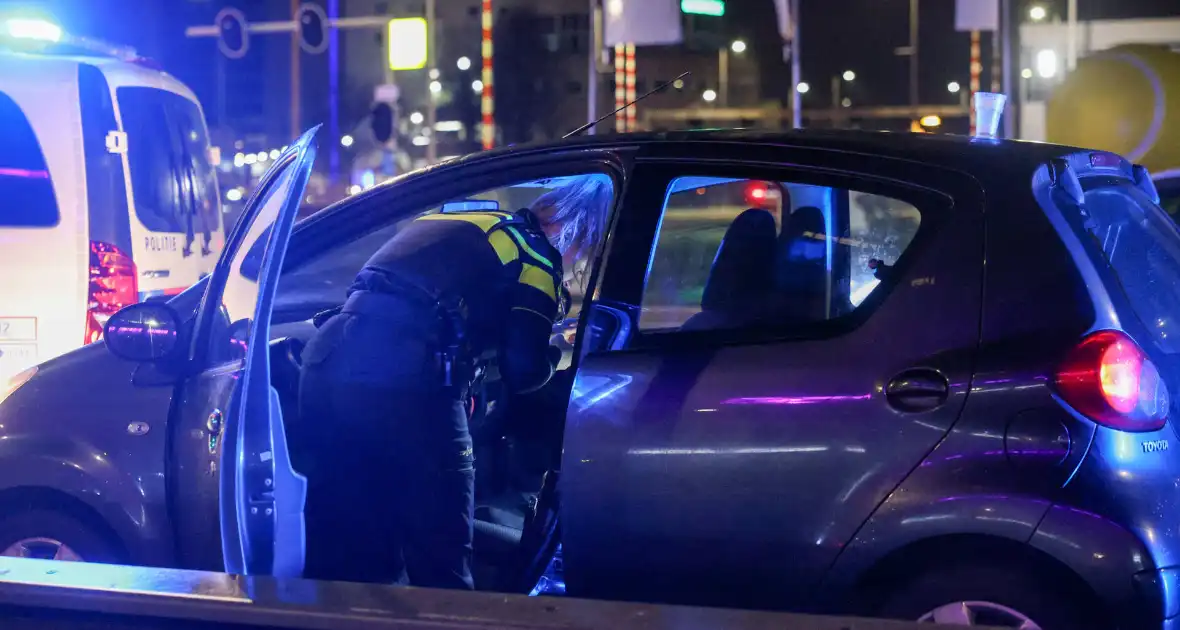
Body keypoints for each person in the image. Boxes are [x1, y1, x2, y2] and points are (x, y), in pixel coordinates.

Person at [293, 176, 612, 589]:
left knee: (352, 534)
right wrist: (555, 350)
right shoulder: (534, 256)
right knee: (441, 542)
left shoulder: (467, 220)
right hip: (407, 382)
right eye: (588, 248)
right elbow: (526, 371)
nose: (580, 261)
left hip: (326, 364)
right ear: (576, 230)